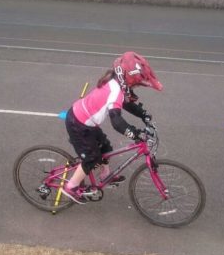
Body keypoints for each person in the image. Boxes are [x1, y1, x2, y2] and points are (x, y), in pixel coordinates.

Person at [62, 51, 163, 204]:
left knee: (106, 147)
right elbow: (116, 121)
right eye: (136, 83)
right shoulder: (115, 90)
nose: (136, 86)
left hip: (86, 120)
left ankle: (105, 175)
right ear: (128, 79)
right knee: (91, 158)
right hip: (78, 123)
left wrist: (144, 115)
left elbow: (126, 103)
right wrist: (135, 134)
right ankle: (71, 187)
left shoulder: (117, 85)